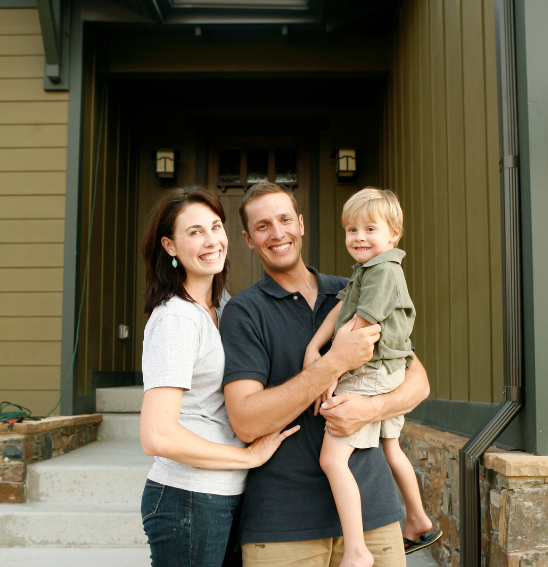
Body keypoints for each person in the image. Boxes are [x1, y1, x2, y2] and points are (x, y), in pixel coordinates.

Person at [220, 182, 431, 567]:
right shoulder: (244, 312)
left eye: (285, 219)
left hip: (374, 517)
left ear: (301, 224)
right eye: (263, 226)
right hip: (285, 525)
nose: (278, 232)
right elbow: (247, 422)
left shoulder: (355, 287)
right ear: (249, 240)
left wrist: (369, 409)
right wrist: (332, 362)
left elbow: (417, 381)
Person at [138, 186, 299, 567]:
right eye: (194, 232)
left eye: (215, 227)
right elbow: (156, 435)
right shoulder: (177, 318)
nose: (211, 240)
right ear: (170, 246)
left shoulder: (222, 306)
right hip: (189, 499)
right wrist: (247, 458)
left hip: (223, 495)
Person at [304, 188, 441, 566]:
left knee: (333, 461)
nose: (359, 237)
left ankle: (357, 550)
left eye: (369, 228)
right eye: (351, 229)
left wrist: (331, 368)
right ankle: (418, 519)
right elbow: (342, 309)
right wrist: (313, 348)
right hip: (389, 372)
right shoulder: (368, 270)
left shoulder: (384, 272)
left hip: (370, 372)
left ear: (394, 233)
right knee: (391, 448)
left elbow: (362, 325)